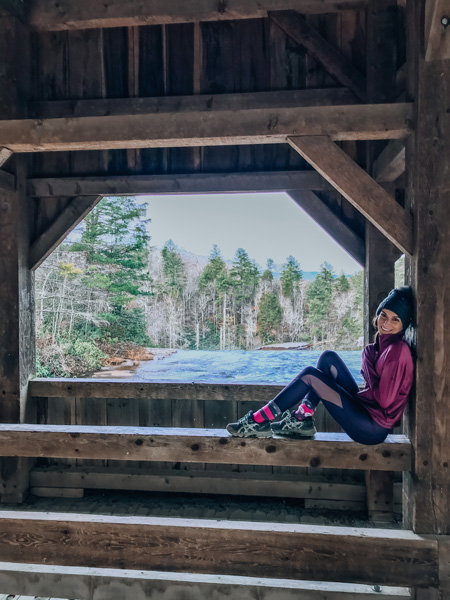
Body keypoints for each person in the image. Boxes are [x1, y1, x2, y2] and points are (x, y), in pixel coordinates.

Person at [226, 286, 414, 445]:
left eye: (395, 319)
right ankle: (301, 418)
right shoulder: (382, 346)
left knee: (310, 376)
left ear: (403, 324)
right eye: (383, 315)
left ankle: (258, 420)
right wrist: (369, 356)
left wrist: (367, 366)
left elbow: (384, 401)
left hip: (372, 427)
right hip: (366, 412)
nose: (386, 323)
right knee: (328, 358)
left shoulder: (397, 351)